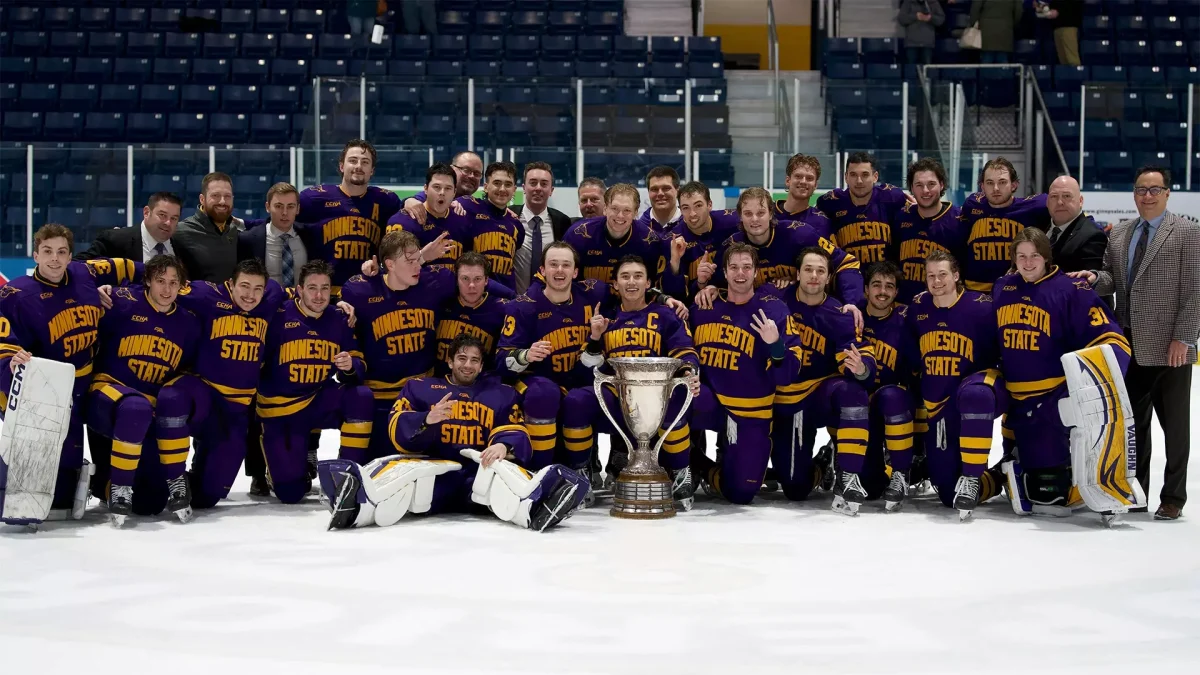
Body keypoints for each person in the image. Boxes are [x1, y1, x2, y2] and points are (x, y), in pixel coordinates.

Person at [318, 335, 588, 532]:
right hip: (435, 472)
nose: (467, 365)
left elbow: (514, 427)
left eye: (474, 360)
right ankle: (358, 507)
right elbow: (396, 427)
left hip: (475, 473)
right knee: (403, 481)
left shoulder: (500, 393)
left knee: (501, 483)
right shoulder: (420, 388)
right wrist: (427, 419)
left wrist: (504, 446)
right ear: (449, 361)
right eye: (461, 358)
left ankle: (535, 509)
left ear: (482, 366)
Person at [1074, 166, 1200, 520]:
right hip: (1129, 345)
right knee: (1134, 425)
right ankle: (1136, 492)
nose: (1147, 195)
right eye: (1142, 189)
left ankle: (1173, 497)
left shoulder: (1188, 232)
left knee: (1175, 428)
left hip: (1171, 347)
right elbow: (1112, 279)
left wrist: (1184, 338)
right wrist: (1092, 278)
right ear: (1134, 193)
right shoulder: (1121, 234)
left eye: (1154, 189)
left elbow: (1195, 291)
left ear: (1167, 193)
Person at [0, 224, 142, 522]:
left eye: (62, 252)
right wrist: (11, 360)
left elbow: (133, 268)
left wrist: (121, 291)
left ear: (70, 255)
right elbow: (3, 343)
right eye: (48, 252)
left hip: (90, 381)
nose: (55, 259)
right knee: (58, 490)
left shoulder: (85, 273)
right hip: (47, 391)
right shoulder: (15, 294)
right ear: (35, 255)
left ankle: (105, 482)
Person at [993, 228, 1135, 522]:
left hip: (1052, 400)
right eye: (1021, 256)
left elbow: (1113, 341)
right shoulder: (1003, 287)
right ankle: (1004, 472)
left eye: (1034, 256)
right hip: (1015, 401)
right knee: (1029, 485)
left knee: (1049, 496)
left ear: (1046, 257)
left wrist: (1094, 388)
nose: (1028, 262)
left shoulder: (1072, 290)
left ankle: (1094, 478)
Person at [340, 230, 510, 461]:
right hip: (378, 394)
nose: (418, 265)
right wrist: (339, 304)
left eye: (417, 259)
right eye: (411, 261)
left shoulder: (432, 281)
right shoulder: (359, 289)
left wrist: (520, 298)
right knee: (372, 466)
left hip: (419, 394)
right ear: (389, 264)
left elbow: (474, 281)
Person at [154, 259, 287, 510]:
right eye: (244, 287)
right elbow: (162, 288)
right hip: (204, 391)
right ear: (231, 283)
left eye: (258, 289)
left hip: (236, 411)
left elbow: (303, 294)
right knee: (172, 397)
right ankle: (171, 477)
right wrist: (112, 290)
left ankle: (187, 480)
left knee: (207, 497)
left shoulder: (272, 296)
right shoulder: (206, 294)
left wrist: (341, 304)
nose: (250, 295)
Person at [574, 255, 702, 508]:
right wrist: (595, 338)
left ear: (648, 284)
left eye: (637, 276)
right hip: (616, 391)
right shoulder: (605, 318)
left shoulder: (665, 315)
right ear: (615, 284)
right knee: (577, 401)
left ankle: (680, 471)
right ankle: (581, 472)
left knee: (676, 395)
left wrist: (688, 372)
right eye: (625, 276)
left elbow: (684, 350)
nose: (631, 282)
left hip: (656, 394)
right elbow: (589, 366)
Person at [87, 254, 200, 526]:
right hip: (107, 393)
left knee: (150, 503)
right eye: (160, 281)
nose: (166, 289)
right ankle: (120, 488)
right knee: (134, 407)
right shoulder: (122, 302)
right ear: (148, 280)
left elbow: (186, 370)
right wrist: (95, 292)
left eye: (173, 282)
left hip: (146, 411)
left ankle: (100, 482)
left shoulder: (188, 322)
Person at [688, 243, 801, 505]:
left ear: (756, 272)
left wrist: (775, 345)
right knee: (676, 395)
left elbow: (786, 376)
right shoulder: (704, 307)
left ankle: (701, 465)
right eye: (734, 268)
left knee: (741, 493)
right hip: (711, 403)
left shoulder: (774, 310)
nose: (741, 274)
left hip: (751, 413)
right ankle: (678, 465)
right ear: (724, 273)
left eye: (747, 267)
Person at [766, 247, 876, 515]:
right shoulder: (775, 301)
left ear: (828, 278)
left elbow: (862, 359)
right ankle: (822, 464)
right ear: (797, 274)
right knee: (794, 488)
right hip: (784, 398)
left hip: (819, 394)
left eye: (820, 271)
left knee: (853, 391)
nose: (814, 276)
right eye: (808, 270)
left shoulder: (839, 313)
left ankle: (849, 475)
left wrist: (861, 369)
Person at [255, 260, 374, 504]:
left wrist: (351, 366)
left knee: (360, 396)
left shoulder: (339, 318)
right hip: (280, 409)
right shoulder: (277, 314)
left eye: (324, 288)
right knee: (291, 494)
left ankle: (347, 475)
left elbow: (359, 365)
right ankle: (288, 464)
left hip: (317, 399)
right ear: (299, 290)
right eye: (312, 288)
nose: (319, 296)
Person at [905, 250, 1008, 520]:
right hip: (938, 404)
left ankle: (975, 477)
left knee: (975, 395)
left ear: (956, 275)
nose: (937, 281)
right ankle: (999, 477)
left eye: (942, 275)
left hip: (976, 391)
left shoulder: (983, 306)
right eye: (931, 276)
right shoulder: (918, 307)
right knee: (949, 496)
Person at [496, 242, 612, 470]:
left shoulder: (592, 295)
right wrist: (526, 355)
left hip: (578, 377)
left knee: (580, 400)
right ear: (542, 270)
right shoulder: (523, 307)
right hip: (540, 381)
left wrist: (595, 340)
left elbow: (633, 287)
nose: (559, 270)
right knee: (544, 393)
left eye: (566, 265)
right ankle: (539, 471)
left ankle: (582, 469)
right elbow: (501, 362)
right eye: (553, 265)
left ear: (575, 272)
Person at [714, 187, 865, 313]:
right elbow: (718, 284)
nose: (754, 219)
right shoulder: (731, 247)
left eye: (760, 213)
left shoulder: (799, 235)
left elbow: (847, 263)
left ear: (771, 213)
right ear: (740, 216)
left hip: (807, 313)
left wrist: (851, 302)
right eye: (748, 214)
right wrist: (708, 287)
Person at [294, 139, 402, 290]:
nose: (358, 166)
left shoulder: (386, 201)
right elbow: (281, 219)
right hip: (323, 293)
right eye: (353, 161)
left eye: (365, 162)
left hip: (367, 291)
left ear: (372, 170)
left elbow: (408, 221)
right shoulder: (313, 198)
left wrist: (412, 200)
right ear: (341, 166)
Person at [860, 261, 920, 511]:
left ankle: (901, 471)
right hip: (861, 404)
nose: (882, 292)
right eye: (876, 285)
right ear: (865, 289)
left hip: (893, 401)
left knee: (891, 395)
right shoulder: (853, 317)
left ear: (896, 292)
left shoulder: (906, 319)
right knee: (871, 489)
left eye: (889, 286)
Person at [958, 157, 1049, 292]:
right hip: (974, 291)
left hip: (1016, 291)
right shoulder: (972, 204)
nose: (995, 188)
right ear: (982, 186)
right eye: (989, 183)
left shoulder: (1033, 207)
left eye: (1002, 182)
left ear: (1014, 185)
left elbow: (1065, 210)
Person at [562, 183, 667, 285]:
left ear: (635, 213)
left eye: (627, 210)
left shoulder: (651, 242)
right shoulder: (577, 235)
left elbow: (654, 286)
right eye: (614, 209)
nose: (620, 216)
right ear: (605, 209)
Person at [816, 152, 909, 265]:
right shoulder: (830, 201)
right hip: (849, 273)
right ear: (846, 177)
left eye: (865, 175)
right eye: (853, 175)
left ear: (875, 177)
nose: (859, 181)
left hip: (885, 276)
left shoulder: (892, 197)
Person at [894, 157, 965, 302]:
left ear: (941, 184)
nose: (925, 190)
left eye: (931, 184)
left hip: (940, 307)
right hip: (903, 306)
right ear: (912, 188)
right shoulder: (902, 217)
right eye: (919, 185)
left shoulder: (958, 221)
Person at [662, 181, 740, 303]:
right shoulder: (672, 240)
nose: (692, 214)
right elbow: (674, 296)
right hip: (694, 305)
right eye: (686, 208)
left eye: (698, 206)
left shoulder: (733, 222)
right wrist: (675, 262)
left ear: (709, 205)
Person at [433, 252, 511, 373]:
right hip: (437, 382)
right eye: (465, 278)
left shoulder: (502, 310)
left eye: (477, 279)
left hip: (478, 385)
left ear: (486, 280)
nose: (471, 285)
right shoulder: (441, 303)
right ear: (456, 280)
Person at [1038, 176, 1109, 305]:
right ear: (1047, 201)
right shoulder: (1038, 228)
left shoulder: (1093, 235)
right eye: (1054, 197)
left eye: (1066, 196)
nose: (1060, 202)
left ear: (1080, 201)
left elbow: (1090, 289)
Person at [455, 161, 526, 291]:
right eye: (497, 183)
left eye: (508, 184)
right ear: (486, 186)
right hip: (474, 294)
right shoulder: (468, 206)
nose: (502, 189)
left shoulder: (516, 225)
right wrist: (411, 201)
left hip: (506, 298)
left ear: (514, 190)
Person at [387, 163, 468, 274]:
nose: (442, 193)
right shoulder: (402, 221)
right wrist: (422, 257)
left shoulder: (463, 221)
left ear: (454, 192)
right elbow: (390, 271)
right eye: (436, 187)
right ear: (425, 189)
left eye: (448, 188)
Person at [173, 172, 243, 283]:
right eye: (215, 195)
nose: (222, 201)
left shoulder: (236, 232)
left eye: (227, 196)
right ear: (202, 199)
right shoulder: (179, 232)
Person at [514, 161, 572, 294]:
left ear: (551, 190)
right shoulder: (510, 218)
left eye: (544, 184)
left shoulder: (563, 222)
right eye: (533, 183)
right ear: (523, 187)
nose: (538, 188)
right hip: (513, 300)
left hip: (550, 303)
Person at [76, 192, 183, 263]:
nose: (168, 223)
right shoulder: (115, 241)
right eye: (162, 215)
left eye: (174, 218)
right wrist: (96, 289)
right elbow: (79, 266)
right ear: (146, 212)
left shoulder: (183, 247)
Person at [238, 183, 308, 288]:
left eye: (290, 206)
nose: (284, 212)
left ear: (297, 209)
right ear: (267, 207)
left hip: (300, 303)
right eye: (278, 206)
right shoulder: (248, 240)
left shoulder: (309, 236)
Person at [401, 151, 484, 223]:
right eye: (466, 170)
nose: (471, 176)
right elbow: (416, 201)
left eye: (477, 173)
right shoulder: (431, 196)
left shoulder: (477, 206)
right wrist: (409, 201)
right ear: (452, 169)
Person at [774, 154, 834, 241]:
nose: (803, 181)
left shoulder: (822, 222)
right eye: (798, 176)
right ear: (788, 181)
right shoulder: (768, 214)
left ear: (816, 185)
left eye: (809, 178)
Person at [1035, 1, 1082, 66]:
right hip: (1057, 26)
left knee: (1072, 60)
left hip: (1069, 25)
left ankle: (1077, 75)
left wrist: (1058, 11)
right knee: (1063, 61)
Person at [898, 0, 945, 65]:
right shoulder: (908, 2)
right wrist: (915, 16)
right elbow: (902, 19)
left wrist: (930, 18)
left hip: (927, 43)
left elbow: (941, 20)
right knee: (911, 70)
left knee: (926, 71)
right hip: (911, 43)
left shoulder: (933, 2)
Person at [637, 166, 682, 233]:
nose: (660, 193)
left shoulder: (690, 226)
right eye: (654, 189)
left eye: (666, 188)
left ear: (677, 191)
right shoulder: (637, 229)